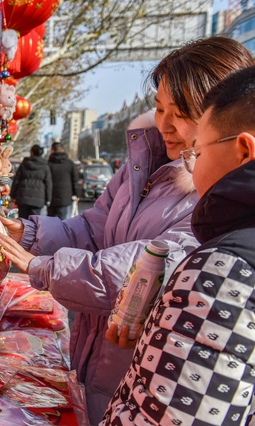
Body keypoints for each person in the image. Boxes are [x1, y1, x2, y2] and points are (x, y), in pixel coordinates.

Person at [0, 37, 255, 424]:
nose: (165, 124)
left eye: (180, 113)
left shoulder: (215, 204)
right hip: (99, 353)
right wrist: (27, 232)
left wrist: (42, 267)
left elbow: (139, 270)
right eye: (158, 108)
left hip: (140, 376)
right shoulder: (141, 164)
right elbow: (93, 227)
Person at [102, 67, 255, 426]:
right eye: (159, 109)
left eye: (198, 153)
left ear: (244, 151)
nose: (166, 126)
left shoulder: (225, 267)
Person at [10, 144, 52, 219]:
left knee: (23, 222)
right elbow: (48, 184)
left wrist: (12, 195)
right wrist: (48, 199)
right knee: (34, 222)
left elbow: (17, 179)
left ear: (31, 152)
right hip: (38, 199)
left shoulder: (25, 163)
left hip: (23, 197)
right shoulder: (45, 166)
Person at [47, 142, 79, 220]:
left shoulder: (48, 164)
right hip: (65, 197)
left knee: (49, 222)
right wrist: (76, 194)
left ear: (52, 150)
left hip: (51, 197)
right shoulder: (70, 164)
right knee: (62, 221)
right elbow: (75, 180)